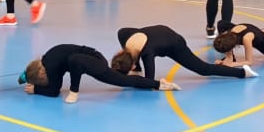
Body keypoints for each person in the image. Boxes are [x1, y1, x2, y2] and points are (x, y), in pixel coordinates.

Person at [22, 44, 179, 103]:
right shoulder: (46, 60)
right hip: (88, 58)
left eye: (42, 81)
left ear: (41, 75)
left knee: (74, 60)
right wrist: (25, 78)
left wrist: (36, 90)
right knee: (123, 80)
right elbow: (52, 87)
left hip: (94, 60)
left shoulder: (51, 70)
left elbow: (53, 91)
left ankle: (74, 91)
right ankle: (159, 83)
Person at [111, 25, 256, 80]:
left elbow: (150, 80)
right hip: (161, 32)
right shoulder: (124, 35)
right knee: (140, 57)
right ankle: (137, 66)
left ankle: (242, 73)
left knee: (203, 69)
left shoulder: (147, 53)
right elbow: (122, 30)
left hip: (175, 43)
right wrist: (136, 67)